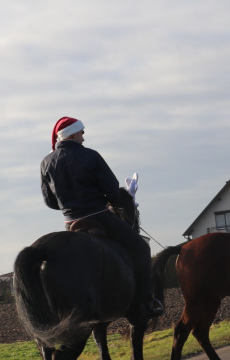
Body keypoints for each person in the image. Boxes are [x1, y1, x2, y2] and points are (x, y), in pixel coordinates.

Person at [40, 116, 163, 317]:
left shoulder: (46, 162)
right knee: (141, 248)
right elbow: (113, 193)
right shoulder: (90, 156)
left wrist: (68, 207)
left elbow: (49, 202)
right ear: (72, 133)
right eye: (81, 132)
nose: (83, 137)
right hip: (99, 216)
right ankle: (145, 303)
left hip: (70, 224)